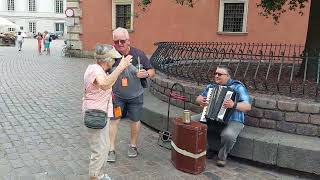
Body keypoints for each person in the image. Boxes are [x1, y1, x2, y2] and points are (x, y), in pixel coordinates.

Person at [83, 44, 132, 180]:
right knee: (98, 150)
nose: (114, 62)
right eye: (113, 60)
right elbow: (104, 85)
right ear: (107, 60)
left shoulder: (99, 70)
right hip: (95, 114)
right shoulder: (96, 71)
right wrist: (121, 67)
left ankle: (99, 174)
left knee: (104, 147)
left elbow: (106, 83)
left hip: (101, 113)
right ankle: (94, 177)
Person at [107, 27, 155, 162]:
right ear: (113, 43)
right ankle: (111, 149)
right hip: (117, 96)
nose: (120, 44)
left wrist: (146, 73)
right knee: (114, 120)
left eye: (123, 41)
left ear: (128, 41)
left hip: (136, 96)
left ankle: (133, 146)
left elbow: (152, 71)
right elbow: (102, 72)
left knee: (134, 120)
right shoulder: (110, 55)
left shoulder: (138, 54)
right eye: (116, 42)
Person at [192, 65, 251, 167]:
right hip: (211, 116)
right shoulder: (211, 87)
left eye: (219, 74)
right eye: (215, 73)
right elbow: (199, 98)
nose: (216, 76)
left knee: (228, 135)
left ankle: (222, 157)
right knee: (191, 121)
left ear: (228, 76)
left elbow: (247, 106)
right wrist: (200, 100)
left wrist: (234, 105)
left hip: (233, 119)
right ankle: (205, 148)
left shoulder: (238, 87)